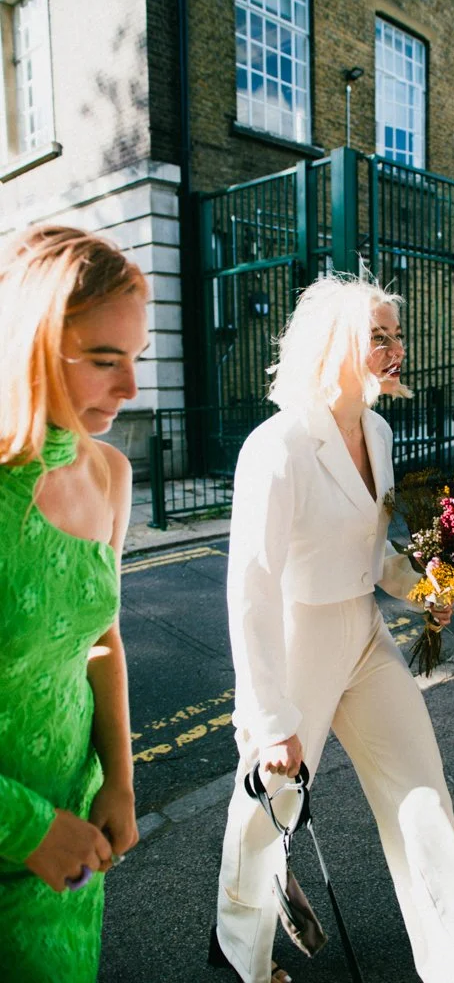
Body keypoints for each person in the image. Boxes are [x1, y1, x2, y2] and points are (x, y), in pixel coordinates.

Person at [210, 274, 454, 983]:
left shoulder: (378, 430)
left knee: (423, 799)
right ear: (332, 345)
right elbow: (251, 587)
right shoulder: (277, 445)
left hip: (363, 639)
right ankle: (245, 961)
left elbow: (373, 556)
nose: (396, 348)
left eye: (396, 334)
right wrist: (266, 718)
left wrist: (427, 591)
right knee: (267, 812)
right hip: (296, 649)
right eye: (378, 335)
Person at [0, 225, 148, 980]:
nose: (130, 390)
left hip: (71, 842)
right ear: (33, 344)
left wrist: (119, 779)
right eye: (102, 360)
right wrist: (24, 827)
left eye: (136, 361)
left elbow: (103, 641)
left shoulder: (112, 476)